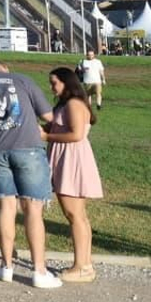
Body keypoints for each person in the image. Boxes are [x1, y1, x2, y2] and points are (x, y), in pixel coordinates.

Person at [0, 59, 59, 288]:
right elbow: (49, 116)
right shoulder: (22, 80)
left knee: (6, 206)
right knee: (32, 208)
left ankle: (6, 265)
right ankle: (39, 270)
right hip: (27, 148)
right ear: (5, 68)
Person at [45, 66, 102, 283]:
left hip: (72, 160)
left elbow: (76, 134)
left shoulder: (74, 104)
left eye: (54, 83)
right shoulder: (65, 104)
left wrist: (46, 137)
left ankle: (81, 266)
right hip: (66, 158)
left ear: (66, 83)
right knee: (78, 216)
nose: (52, 87)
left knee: (74, 215)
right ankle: (84, 264)